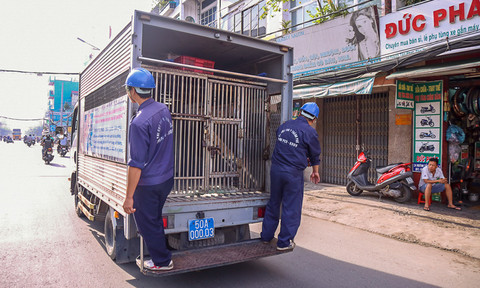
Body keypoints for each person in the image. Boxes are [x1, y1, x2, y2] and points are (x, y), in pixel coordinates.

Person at [121, 67, 175, 271]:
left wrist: (129, 196)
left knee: (147, 223)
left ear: (133, 91)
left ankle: (162, 261)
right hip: (166, 179)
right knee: (154, 218)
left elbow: (136, 164)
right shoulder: (163, 110)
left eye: (128, 89)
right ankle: (159, 253)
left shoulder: (139, 123)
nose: (128, 93)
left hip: (149, 183)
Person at [261, 102, 321, 251]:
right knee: (291, 207)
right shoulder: (310, 132)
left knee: (274, 202)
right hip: (292, 173)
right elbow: (315, 155)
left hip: (276, 170)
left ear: (300, 113)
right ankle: (284, 242)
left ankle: (266, 236)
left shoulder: (285, 125)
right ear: (313, 118)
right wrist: (315, 171)